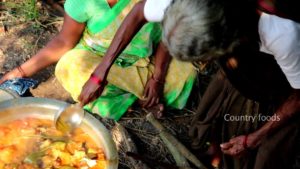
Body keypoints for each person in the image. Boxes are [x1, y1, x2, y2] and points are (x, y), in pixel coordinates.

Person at [142, 0, 300, 169]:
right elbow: (141, 11)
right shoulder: (186, 7)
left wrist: (256, 136)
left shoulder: (283, 33)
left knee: (266, 159)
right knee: (216, 114)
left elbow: (297, 98)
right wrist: (100, 75)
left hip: (288, 90)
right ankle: (214, 156)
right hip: (249, 65)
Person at [0, 0, 197, 120]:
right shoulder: (82, 1)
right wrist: (20, 72)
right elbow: (64, 41)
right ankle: (141, 99)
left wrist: (158, 78)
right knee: (70, 67)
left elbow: (167, 35)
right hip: (95, 58)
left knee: (187, 71)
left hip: (148, 58)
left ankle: (132, 97)